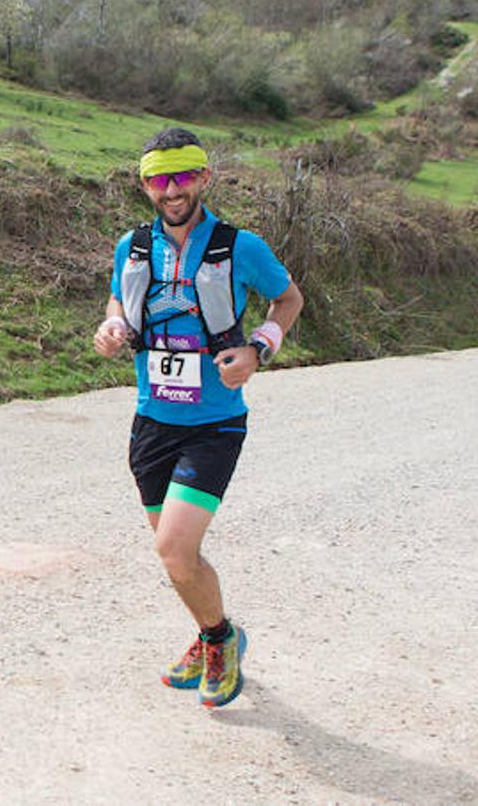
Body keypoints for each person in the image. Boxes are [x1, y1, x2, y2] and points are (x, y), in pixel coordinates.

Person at [92, 127, 304, 709]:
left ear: (205, 178)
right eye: (160, 179)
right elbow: (118, 300)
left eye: (184, 176)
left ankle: (218, 641)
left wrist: (260, 348)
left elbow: (289, 300)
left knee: (176, 552)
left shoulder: (241, 247)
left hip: (214, 425)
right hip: (151, 422)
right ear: (145, 186)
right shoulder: (132, 246)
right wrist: (112, 325)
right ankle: (217, 633)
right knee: (175, 557)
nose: (172, 189)